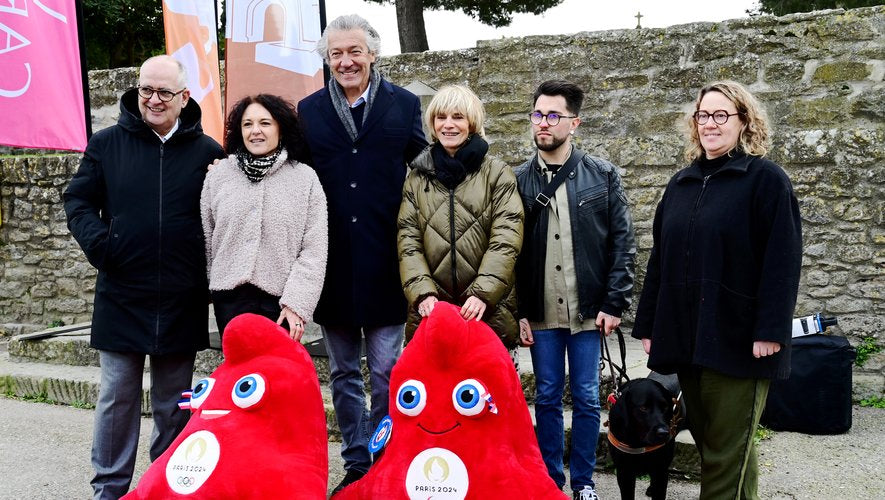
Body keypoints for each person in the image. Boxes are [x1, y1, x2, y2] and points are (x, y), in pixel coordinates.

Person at [63, 55, 224, 499]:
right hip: (121, 292)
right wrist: (103, 245)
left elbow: (223, 216)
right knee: (117, 399)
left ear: (184, 97)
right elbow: (77, 202)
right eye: (145, 90)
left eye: (164, 92)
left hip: (180, 296)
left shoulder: (209, 153)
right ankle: (109, 489)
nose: (153, 99)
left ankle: (166, 487)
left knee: (175, 405)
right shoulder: (106, 144)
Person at [632, 80, 802, 500]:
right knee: (719, 450)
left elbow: (783, 262)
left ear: (744, 121)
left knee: (726, 454)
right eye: (703, 115)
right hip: (689, 340)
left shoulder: (766, 181)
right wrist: (651, 323)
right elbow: (660, 259)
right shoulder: (681, 184)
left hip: (741, 341)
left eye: (721, 115)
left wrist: (770, 330)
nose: (711, 123)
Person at [296, 14, 427, 493]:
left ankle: (386, 456)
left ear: (373, 53)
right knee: (345, 373)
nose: (346, 61)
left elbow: (426, 168)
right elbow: (293, 179)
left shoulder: (405, 105)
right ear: (327, 60)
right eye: (336, 54)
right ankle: (355, 462)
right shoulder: (307, 112)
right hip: (332, 265)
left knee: (389, 371)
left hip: (386, 261)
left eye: (355, 52)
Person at [514, 80, 636, 500]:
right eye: (537, 114)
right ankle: (550, 481)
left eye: (553, 115)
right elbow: (507, 251)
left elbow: (623, 242)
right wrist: (518, 312)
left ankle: (583, 482)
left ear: (574, 123)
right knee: (546, 396)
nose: (543, 123)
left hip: (589, 311)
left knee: (585, 398)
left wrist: (614, 301)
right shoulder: (516, 181)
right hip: (541, 311)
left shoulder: (602, 175)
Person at [398, 84, 524, 355]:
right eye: (441, 117)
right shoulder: (417, 177)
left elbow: (506, 239)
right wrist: (423, 293)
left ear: (472, 123)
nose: (448, 125)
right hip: (433, 314)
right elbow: (408, 241)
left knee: (489, 395)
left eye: (458, 117)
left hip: (488, 311)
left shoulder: (497, 174)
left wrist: (482, 294)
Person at [201, 94, 327, 341]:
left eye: (265, 123)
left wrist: (296, 303)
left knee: (277, 376)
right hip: (229, 300)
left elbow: (314, 249)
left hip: (282, 304)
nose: (255, 131)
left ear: (281, 127)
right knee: (239, 376)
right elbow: (206, 237)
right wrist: (210, 287)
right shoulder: (218, 176)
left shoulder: (305, 179)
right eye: (247, 124)